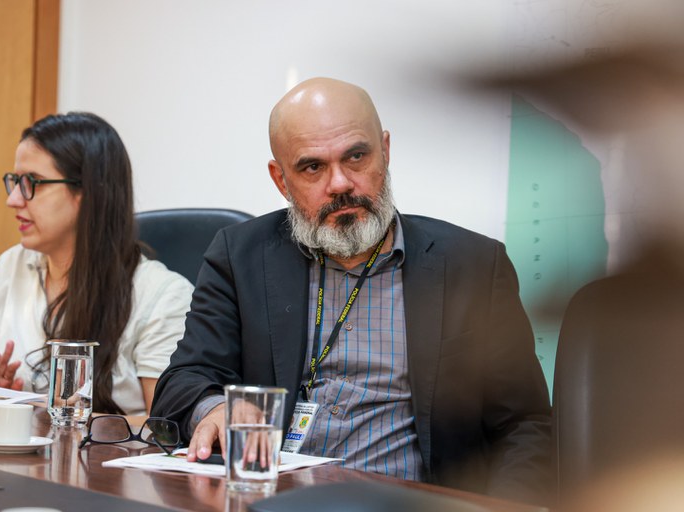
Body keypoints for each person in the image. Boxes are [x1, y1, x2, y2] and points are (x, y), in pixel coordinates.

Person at [151, 78, 551, 501]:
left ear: (386, 152)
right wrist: (213, 407)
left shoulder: (472, 265)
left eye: (356, 156)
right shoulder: (240, 255)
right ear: (281, 179)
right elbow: (185, 378)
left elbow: (525, 426)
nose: (340, 183)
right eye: (312, 167)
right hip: (271, 501)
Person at [0, 112, 194, 416]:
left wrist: (41, 412)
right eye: (15, 181)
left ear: (89, 192)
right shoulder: (11, 265)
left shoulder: (162, 295)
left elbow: (165, 427)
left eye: (32, 183)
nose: (13, 200)